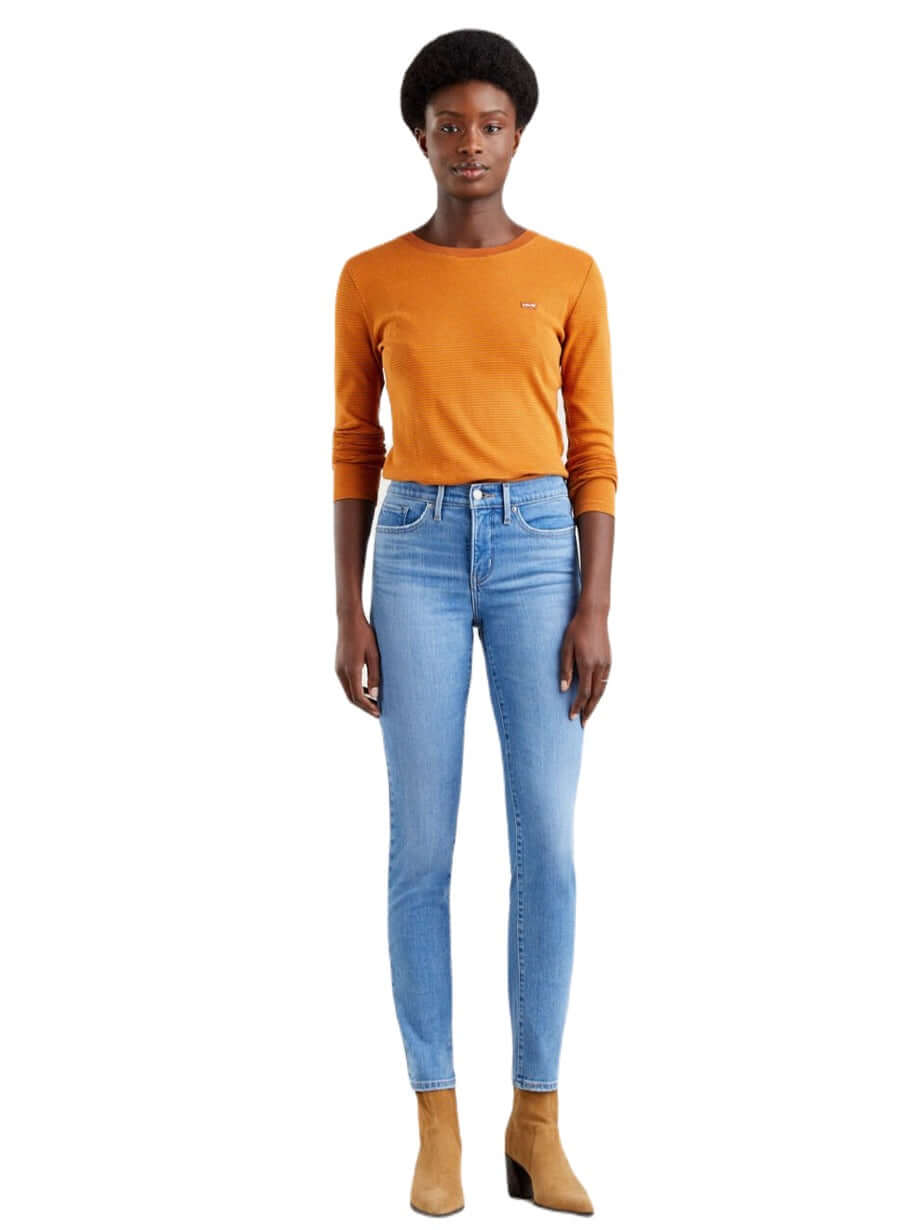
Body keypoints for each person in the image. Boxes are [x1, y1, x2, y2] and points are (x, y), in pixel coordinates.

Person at [332, 28, 616, 1218]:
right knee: (421, 848)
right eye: (448, 124)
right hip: (412, 555)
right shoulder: (369, 277)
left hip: (542, 549)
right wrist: (346, 607)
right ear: (419, 135)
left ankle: (535, 1122)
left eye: (489, 124)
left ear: (518, 134)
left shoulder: (570, 273)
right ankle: (435, 1124)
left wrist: (595, 601)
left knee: (545, 843)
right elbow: (353, 445)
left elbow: (593, 447)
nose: (469, 143)